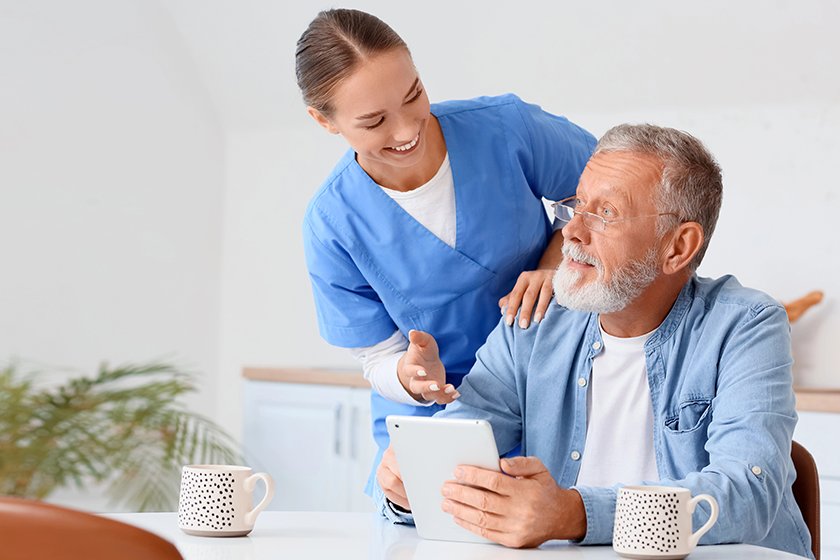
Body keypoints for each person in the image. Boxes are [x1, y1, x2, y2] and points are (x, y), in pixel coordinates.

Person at [376, 124, 813, 558]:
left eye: (605, 213)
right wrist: (410, 489)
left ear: (678, 247)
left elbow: (747, 493)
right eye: (577, 204)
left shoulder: (746, 325)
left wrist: (575, 513)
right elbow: (455, 451)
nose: (572, 232)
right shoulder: (533, 322)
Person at [296, 8, 596, 499]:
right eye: (374, 122)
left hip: (553, 384)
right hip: (440, 417)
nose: (405, 130)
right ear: (324, 121)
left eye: (413, 94)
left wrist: (555, 263)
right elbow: (377, 357)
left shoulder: (506, 128)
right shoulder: (332, 224)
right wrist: (412, 376)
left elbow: (603, 194)